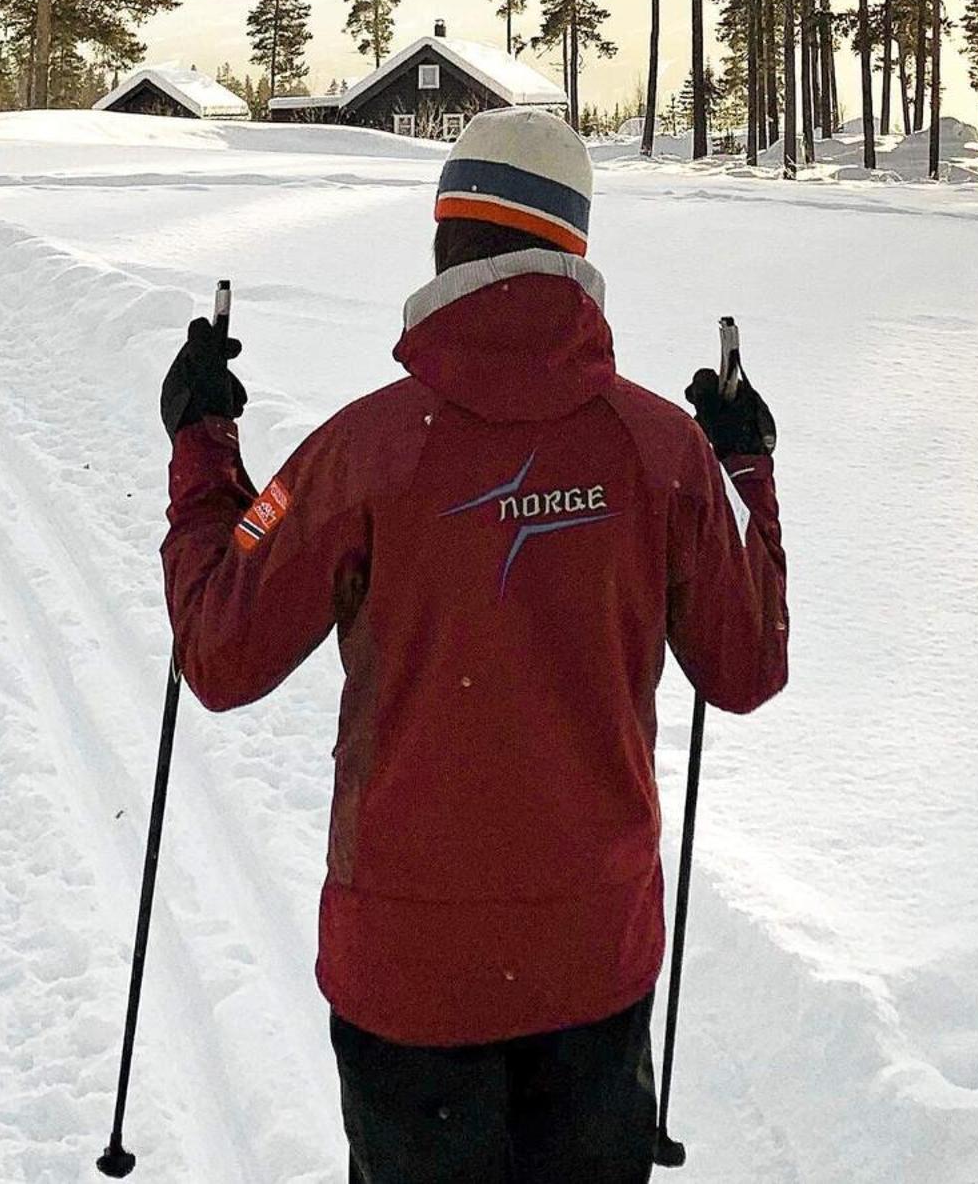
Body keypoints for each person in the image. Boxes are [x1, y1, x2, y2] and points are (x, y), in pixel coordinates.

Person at [159, 107, 790, 1183]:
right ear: (572, 251)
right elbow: (747, 664)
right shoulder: (661, 450)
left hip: (409, 979)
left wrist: (201, 449)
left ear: (449, 241)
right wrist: (743, 475)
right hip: (593, 966)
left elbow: (218, 650)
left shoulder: (357, 453)